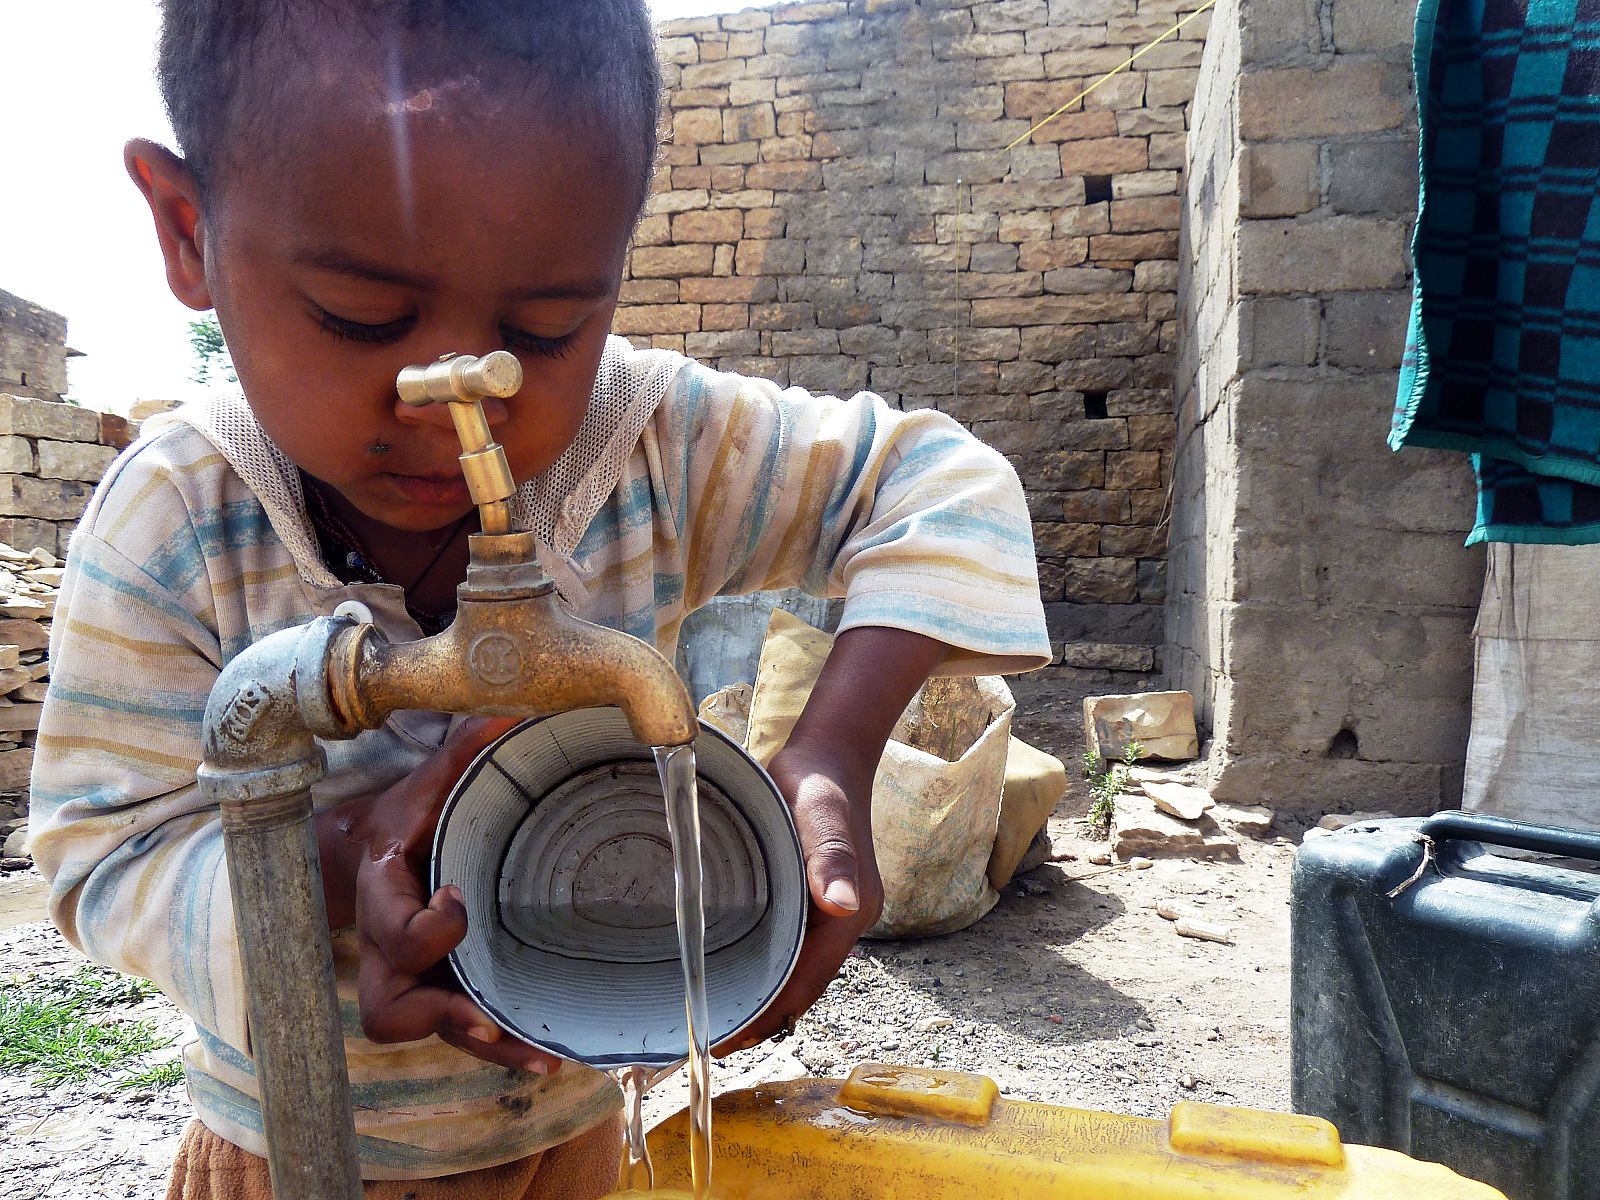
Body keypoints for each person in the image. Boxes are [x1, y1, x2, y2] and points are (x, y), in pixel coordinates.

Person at [29, 1, 1051, 1196]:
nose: (456, 400)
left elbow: (944, 486)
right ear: (189, 229)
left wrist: (832, 753)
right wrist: (338, 856)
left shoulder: (652, 446)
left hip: (576, 1145)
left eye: (548, 330)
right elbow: (102, 854)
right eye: (363, 319)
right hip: (298, 1157)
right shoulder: (175, 522)